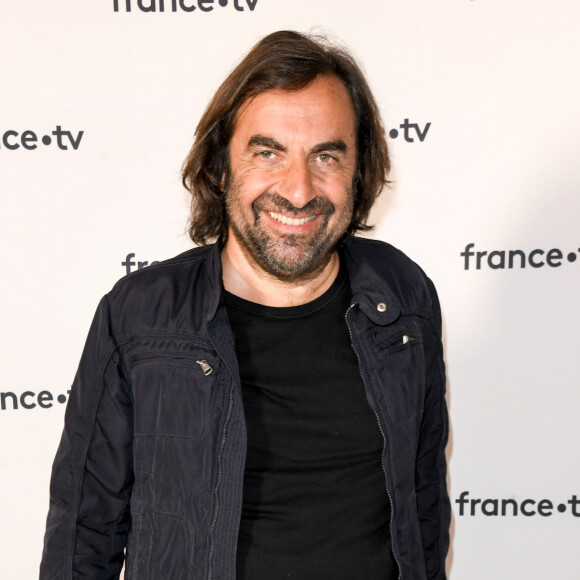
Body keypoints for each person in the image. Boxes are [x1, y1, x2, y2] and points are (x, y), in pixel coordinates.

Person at [40, 30, 450, 580]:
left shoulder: (404, 299)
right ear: (220, 165)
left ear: (359, 168)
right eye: (268, 152)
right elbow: (83, 534)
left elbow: (422, 511)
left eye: (326, 155)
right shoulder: (140, 316)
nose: (299, 190)